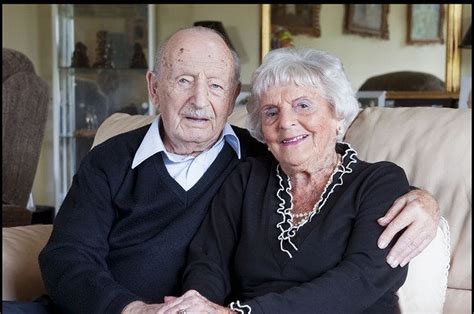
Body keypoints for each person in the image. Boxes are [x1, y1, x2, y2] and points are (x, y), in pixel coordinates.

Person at [30, 27, 437, 314]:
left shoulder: (260, 158)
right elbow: (69, 257)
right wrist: (157, 308)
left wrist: (425, 200)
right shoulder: (244, 172)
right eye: (184, 80)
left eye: (217, 86)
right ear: (155, 88)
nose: (199, 100)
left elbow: (362, 221)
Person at [158, 48, 421, 314]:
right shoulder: (246, 178)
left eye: (302, 106)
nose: (285, 122)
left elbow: (363, 279)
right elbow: (208, 260)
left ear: (337, 115)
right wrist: (199, 305)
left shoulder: (379, 182)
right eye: (271, 112)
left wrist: (240, 313)